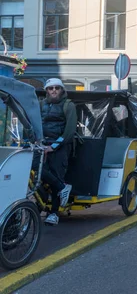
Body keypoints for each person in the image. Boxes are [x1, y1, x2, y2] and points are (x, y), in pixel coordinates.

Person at [37, 78, 76, 226]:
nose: (53, 90)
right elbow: (35, 124)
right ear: (46, 91)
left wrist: (53, 147)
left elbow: (69, 131)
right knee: (35, 172)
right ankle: (60, 189)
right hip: (42, 144)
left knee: (56, 176)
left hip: (60, 146)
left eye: (56, 88)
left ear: (61, 90)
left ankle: (54, 212)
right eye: (50, 88)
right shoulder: (41, 104)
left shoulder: (68, 105)